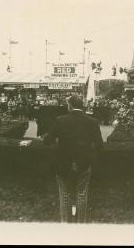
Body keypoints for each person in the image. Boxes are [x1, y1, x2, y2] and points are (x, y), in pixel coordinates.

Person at [44, 95, 103, 223]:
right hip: (84, 163)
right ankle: (80, 223)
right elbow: (99, 144)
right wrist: (89, 155)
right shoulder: (92, 121)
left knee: (64, 194)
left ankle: (65, 222)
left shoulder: (60, 120)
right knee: (82, 194)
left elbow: (47, 140)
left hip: (63, 162)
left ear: (70, 106)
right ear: (82, 106)